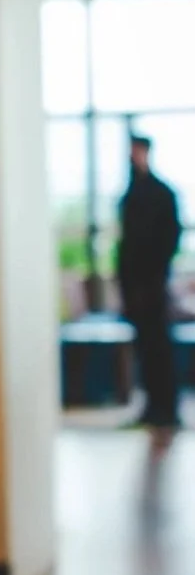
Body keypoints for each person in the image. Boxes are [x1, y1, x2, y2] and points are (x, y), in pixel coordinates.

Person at [118, 135, 183, 430]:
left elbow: (170, 237)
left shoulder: (162, 194)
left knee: (160, 347)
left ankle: (167, 408)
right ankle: (150, 406)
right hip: (133, 286)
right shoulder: (130, 195)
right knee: (145, 347)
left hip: (153, 284)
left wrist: (156, 274)